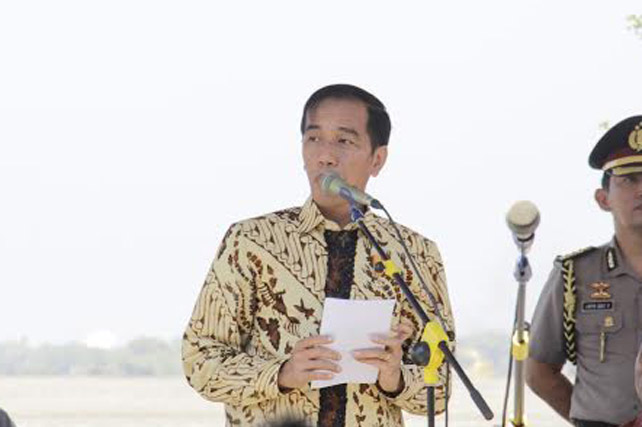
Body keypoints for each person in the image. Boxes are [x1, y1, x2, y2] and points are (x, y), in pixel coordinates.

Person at [182, 84, 455, 426]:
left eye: (344, 141)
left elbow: (441, 386)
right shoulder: (251, 242)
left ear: (377, 159)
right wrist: (282, 373)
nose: (325, 155)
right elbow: (200, 362)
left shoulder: (415, 253)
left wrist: (395, 378)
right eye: (313, 138)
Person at [526, 116, 642, 427]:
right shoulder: (575, 275)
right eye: (629, 180)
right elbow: (539, 371)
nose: (641, 190)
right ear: (603, 199)